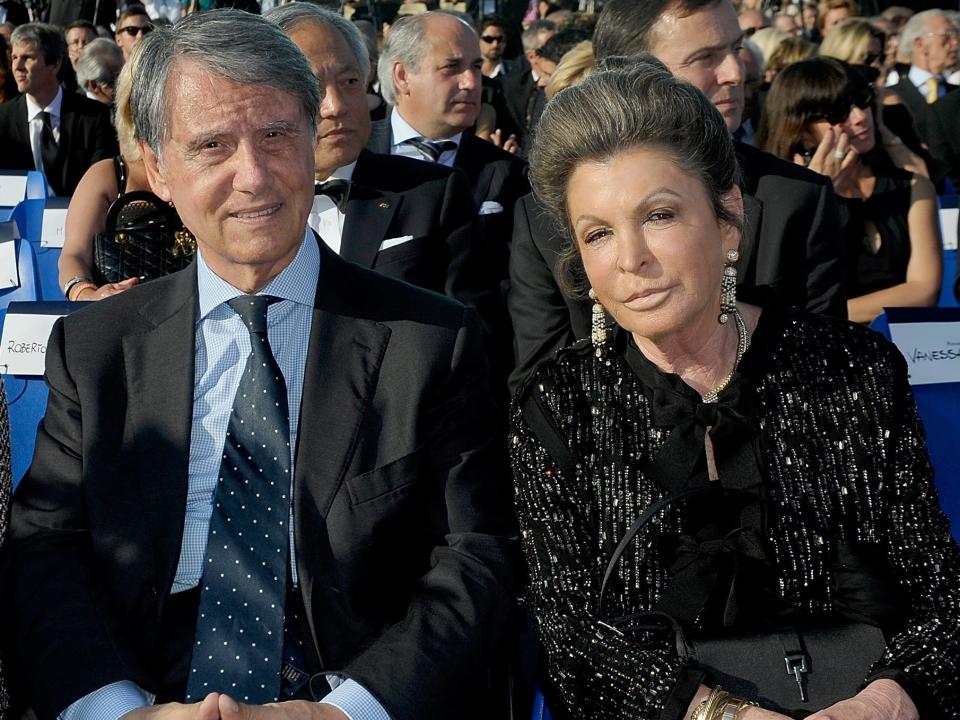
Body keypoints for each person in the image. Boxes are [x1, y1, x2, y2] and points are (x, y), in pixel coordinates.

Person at [4, 10, 517, 720]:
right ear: (158, 168)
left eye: (275, 134)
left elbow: (474, 559)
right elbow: (45, 551)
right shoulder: (96, 352)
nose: (253, 176)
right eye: (212, 145)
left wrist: (347, 711)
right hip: (144, 680)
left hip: (351, 684)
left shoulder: (430, 341)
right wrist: (117, 710)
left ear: (313, 140)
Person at [511, 56, 960, 720]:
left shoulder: (855, 372)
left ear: (727, 221)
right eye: (599, 233)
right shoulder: (556, 406)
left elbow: (942, 597)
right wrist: (723, 716)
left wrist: (883, 705)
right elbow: (570, 638)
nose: (631, 258)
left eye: (659, 215)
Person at [508, 0, 845, 393]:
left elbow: (829, 375)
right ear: (632, 71)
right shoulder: (543, 216)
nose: (736, 73)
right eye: (706, 57)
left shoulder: (798, 197)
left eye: (736, 49)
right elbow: (540, 388)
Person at [263, 2, 503, 347]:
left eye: (349, 82)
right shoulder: (239, 201)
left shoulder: (431, 192)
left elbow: (475, 335)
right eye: (312, 87)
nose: (336, 106)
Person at [758, 58, 941, 324]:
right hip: (819, 351)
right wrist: (816, 196)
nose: (859, 117)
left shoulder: (914, 186)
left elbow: (924, 292)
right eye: (838, 112)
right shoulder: (775, 197)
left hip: (907, 345)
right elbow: (781, 291)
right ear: (801, 129)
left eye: (862, 100)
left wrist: (819, 315)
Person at [57, 45, 158, 301]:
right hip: (122, 309)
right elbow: (73, 255)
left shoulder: (203, 165)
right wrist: (87, 294)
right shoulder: (108, 174)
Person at [0, 22, 117, 197]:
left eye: (27, 57)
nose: (17, 66)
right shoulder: (4, 119)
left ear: (55, 64)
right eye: (15, 57)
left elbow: (103, 183)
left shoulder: (92, 116)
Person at [889, 9, 959, 145]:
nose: (955, 43)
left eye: (956, 35)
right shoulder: (891, 96)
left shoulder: (956, 93)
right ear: (920, 44)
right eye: (947, 35)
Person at [75, 38, 124, 105]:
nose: (124, 83)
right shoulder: (74, 110)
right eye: (117, 79)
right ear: (94, 86)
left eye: (124, 74)